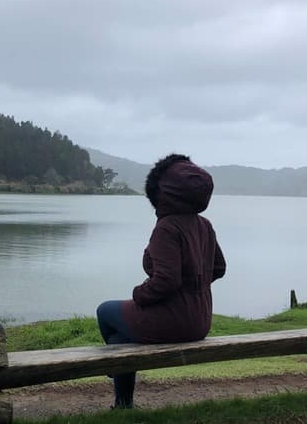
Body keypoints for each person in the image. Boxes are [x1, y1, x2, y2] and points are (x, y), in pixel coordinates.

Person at [96, 153, 226, 409]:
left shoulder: (167, 227)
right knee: (121, 341)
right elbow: (219, 268)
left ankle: (112, 366)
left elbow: (167, 280)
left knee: (105, 310)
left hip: (172, 321)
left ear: (162, 192)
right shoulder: (204, 225)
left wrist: (139, 294)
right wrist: (196, 287)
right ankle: (122, 403)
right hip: (201, 321)